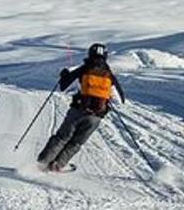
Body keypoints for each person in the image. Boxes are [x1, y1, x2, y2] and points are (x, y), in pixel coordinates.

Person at [37, 43, 127, 172]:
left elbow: (64, 87)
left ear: (90, 54)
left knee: (62, 137)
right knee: (76, 143)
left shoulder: (83, 70)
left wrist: (64, 75)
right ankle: (57, 165)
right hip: (95, 117)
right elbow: (119, 100)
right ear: (106, 56)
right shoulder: (109, 76)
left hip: (77, 111)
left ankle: (42, 164)